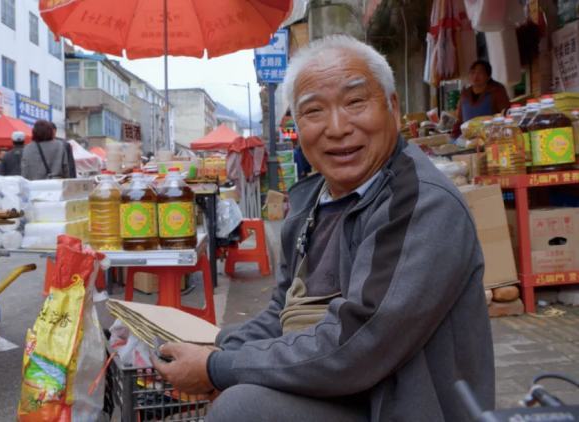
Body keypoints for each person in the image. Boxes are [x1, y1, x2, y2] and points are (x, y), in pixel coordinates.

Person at [153, 35, 494, 421]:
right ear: (297, 125)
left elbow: (359, 345)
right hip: (337, 390)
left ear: (393, 108)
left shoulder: (419, 203)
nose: (337, 128)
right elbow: (282, 312)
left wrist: (218, 367)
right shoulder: (312, 202)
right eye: (314, 111)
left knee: (240, 408)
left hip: (396, 406)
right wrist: (216, 346)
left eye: (355, 102)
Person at [452, 60, 511, 138]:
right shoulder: (465, 94)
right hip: (469, 140)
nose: (475, 76)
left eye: (480, 73)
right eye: (473, 72)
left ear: (488, 76)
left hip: (492, 138)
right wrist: (453, 137)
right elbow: (459, 120)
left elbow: (506, 115)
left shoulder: (496, 91)